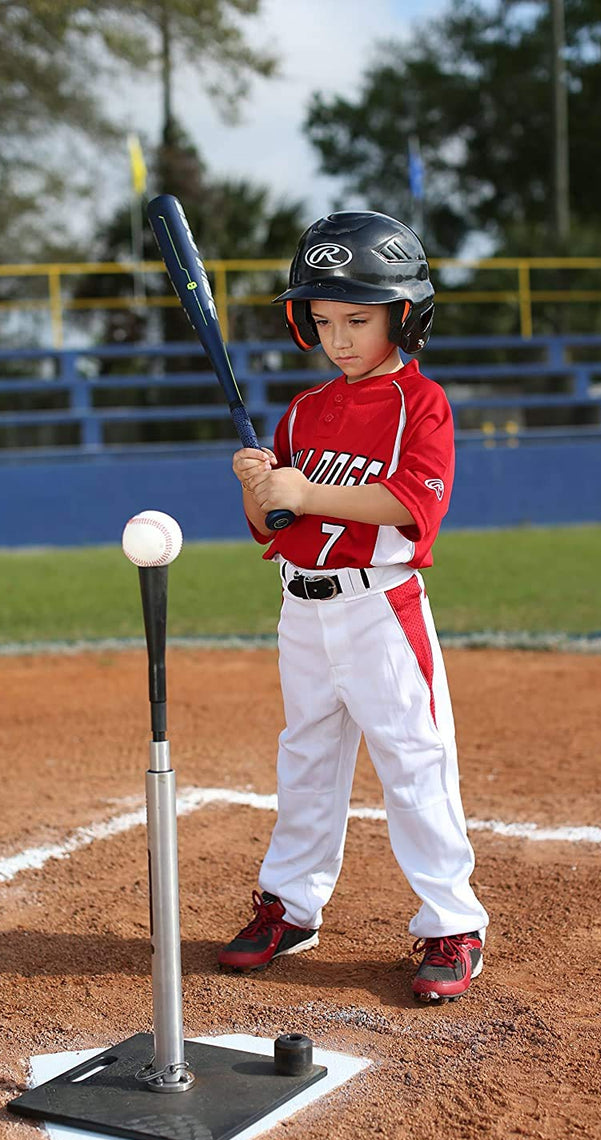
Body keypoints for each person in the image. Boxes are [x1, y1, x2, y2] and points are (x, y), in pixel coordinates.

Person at [218, 210, 489, 1003]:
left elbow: (410, 505)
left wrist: (306, 488)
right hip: (301, 612)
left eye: (359, 320)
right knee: (305, 757)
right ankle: (290, 906)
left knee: (413, 760)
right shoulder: (304, 412)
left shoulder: (421, 403)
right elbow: (273, 526)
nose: (340, 339)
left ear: (404, 316)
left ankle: (451, 922)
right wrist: (260, 489)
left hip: (381, 611)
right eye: (326, 320)